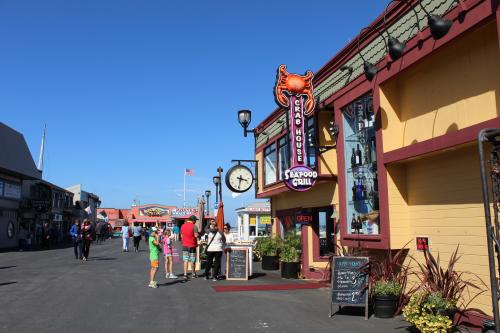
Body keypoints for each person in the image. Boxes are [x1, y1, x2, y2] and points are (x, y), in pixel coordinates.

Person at [180, 215, 199, 280]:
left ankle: (185, 274)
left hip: (185, 245)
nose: (196, 222)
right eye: (195, 220)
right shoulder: (194, 226)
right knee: (192, 260)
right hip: (192, 245)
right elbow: (196, 236)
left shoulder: (183, 226)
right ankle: (193, 274)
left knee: (185, 260)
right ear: (193, 220)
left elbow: (181, 235)